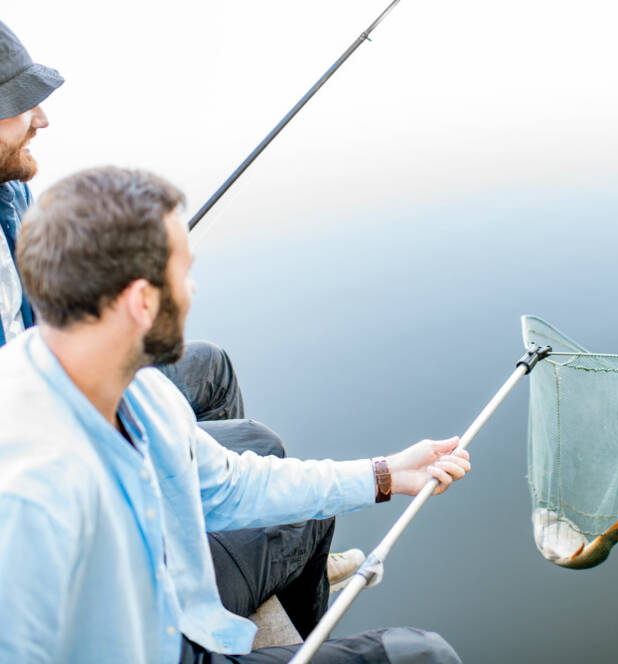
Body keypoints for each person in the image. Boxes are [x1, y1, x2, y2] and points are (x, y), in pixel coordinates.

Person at [0, 165, 470, 663]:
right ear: (141, 301)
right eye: (184, 273)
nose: (192, 291)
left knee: (307, 516)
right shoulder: (33, 494)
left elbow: (227, 486)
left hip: (183, 621)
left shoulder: (137, 387)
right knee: (423, 656)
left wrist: (386, 474)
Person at [0, 19, 365, 620]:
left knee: (212, 372)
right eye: (18, 104)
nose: (41, 118)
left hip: (51, 396)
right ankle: (267, 560)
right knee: (283, 490)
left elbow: (44, 305)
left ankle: (261, 548)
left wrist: (102, 306)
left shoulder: (8, 185)